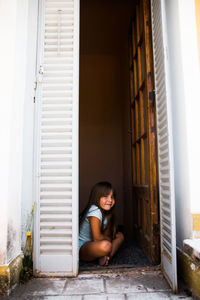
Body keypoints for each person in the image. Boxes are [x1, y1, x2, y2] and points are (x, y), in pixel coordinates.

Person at [79, 181, 124, 266]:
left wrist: (108, 238)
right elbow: (97, 238)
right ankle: (104, 254)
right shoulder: (95, 210)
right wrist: (109, 239)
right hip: (83, 247)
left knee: (120, 236)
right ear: (97, 197)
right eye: (105, 196)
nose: (110, 200)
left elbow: (106, 233)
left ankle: (105, 257)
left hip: (96, 244)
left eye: (112, 197)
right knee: (106, 245)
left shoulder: (107, 212)